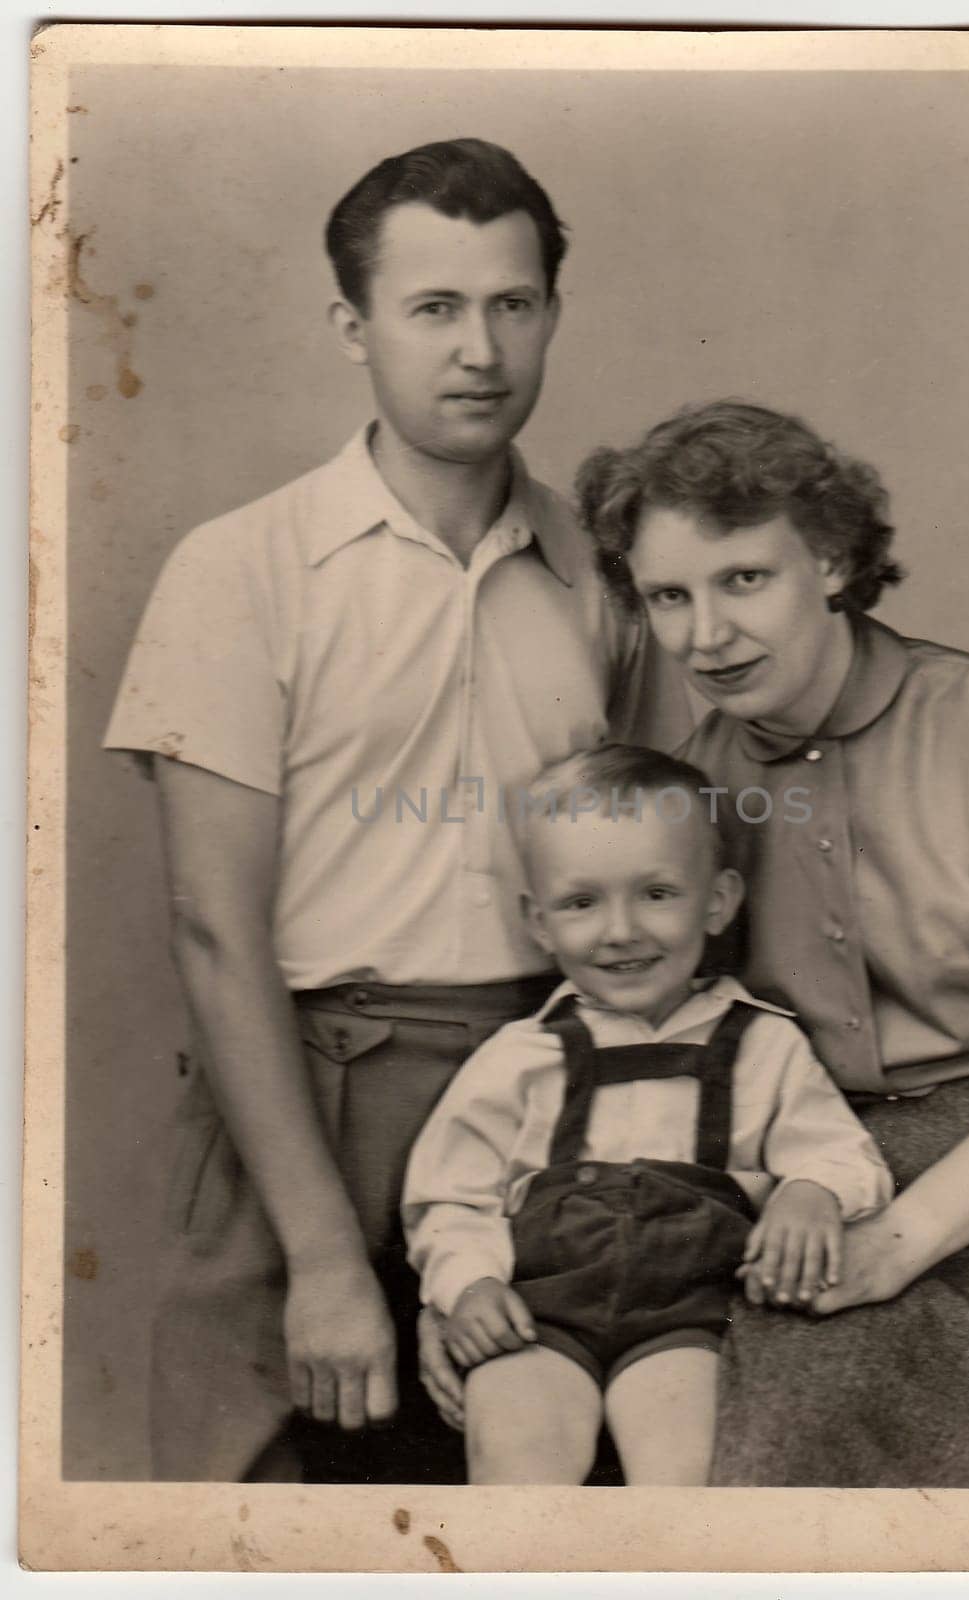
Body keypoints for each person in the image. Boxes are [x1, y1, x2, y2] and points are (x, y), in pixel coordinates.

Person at [102, 138, 685, 1484]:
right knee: (258, 1508)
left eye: (512, 304)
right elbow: (210, 927)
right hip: (303, 1100)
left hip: (547, 1101)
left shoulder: (604, 580)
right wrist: (319, 1256)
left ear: (548, 311)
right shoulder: (241, 567)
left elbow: (649, 865)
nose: (478, 349)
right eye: (432, 309)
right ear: (351, 326)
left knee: (544, 1521)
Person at [561, 400, 969, 1488]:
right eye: (669, 596)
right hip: (807, 1184)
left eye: (744, 578)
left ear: (834, 560)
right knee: (743, 1459)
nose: (705, 636)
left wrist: (903, 1237)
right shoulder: (684, 793)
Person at [402, 745, 893, 1484]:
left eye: (657, 893)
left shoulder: (762, 1043)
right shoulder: (521, 1056)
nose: (620, 930)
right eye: (580, 902)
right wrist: (468, 1284)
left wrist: (809, 1191)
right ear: (538, 922)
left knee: (685, 1465)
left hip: (689, 1324)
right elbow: (448, 1197)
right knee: (517, 1448)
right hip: (539, 1319)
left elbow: (846, 1156)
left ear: (718, 901)